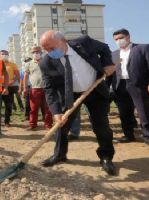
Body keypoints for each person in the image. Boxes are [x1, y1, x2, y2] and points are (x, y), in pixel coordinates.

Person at [39, 31, 117, 175]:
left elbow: (104, 48)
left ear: (64, 40)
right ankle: (59, 154)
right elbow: (49, 89)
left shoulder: (84, 43)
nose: (49, 52)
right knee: (61, 126)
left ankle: (106, 156)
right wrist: (56, 112)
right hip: (70, 94)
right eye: (46, 49)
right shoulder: (46, 62)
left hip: (95, 89)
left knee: (101, 126)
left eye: (51, 48)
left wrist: (108, 63)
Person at [111, 28, 149, 150]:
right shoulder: (114, 54)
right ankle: (128, 135)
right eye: (116, 39)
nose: (119, 41)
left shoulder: (143, 48)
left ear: (128, 37)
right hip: (120, 86)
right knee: (124, 112)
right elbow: (111, 71)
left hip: (138, 85)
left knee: (143, 111)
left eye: (120, 38)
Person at [23, 47, 53, 130]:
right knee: (33, 108)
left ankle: (48, 125)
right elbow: (25, 76)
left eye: (37, 52)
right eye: (34, 52)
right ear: (31, 53)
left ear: (41, 52)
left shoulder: (46, 61)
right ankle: (33, 125)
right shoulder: (28, 64)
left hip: (47, 88)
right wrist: (25, 88)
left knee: (48, 108)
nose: (36, 54)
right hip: (35, 89)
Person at [0, 50, 20, 127]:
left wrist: (14, 81)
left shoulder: (12, 64)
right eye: (2, 54)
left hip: (9, 87)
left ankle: (6, 121)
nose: (4, 55)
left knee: (8, 105)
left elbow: (17, 75)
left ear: (8, 55)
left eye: (6, 54)